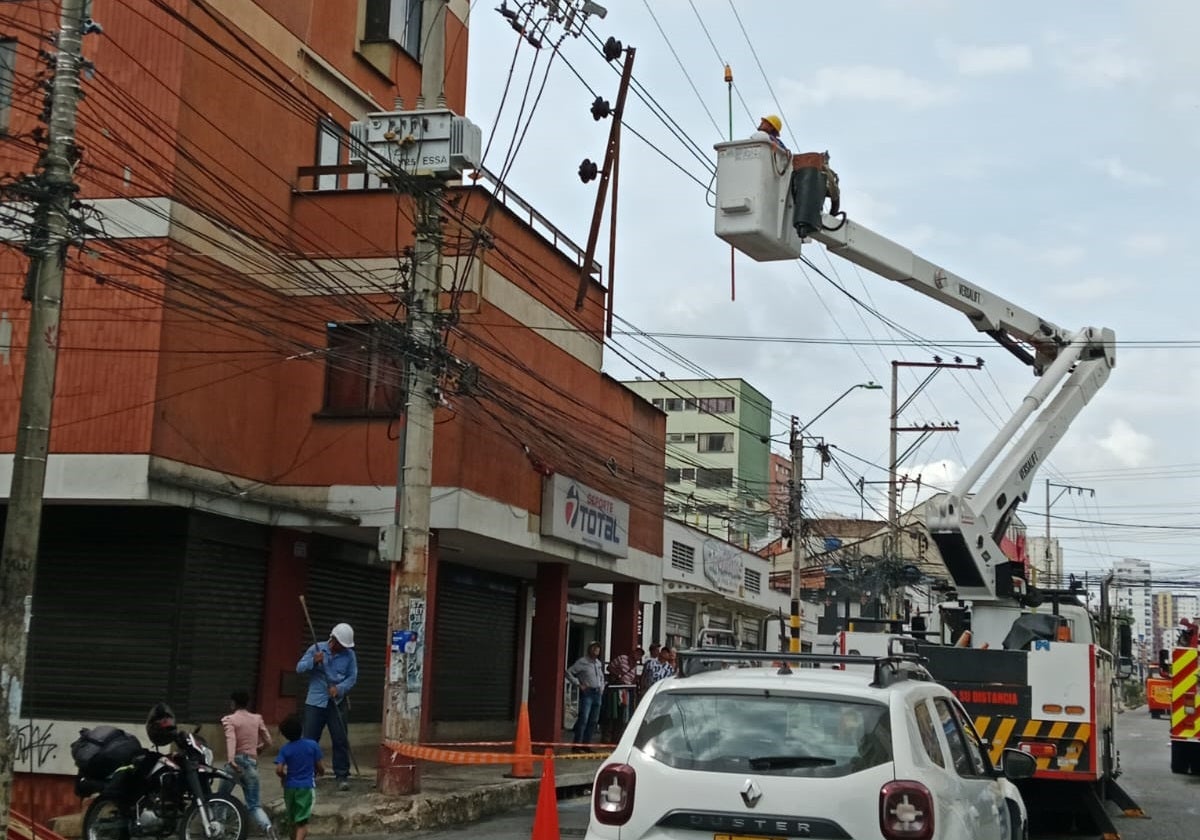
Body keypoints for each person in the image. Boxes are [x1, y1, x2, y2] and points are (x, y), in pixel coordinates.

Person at [297, 622, 357, 790]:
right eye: (341, 644)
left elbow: (352, 677)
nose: (343, 648)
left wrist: (339, 689)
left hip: (337, 702)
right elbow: (299, 668)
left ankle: (342, 775)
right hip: (315, 702)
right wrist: (314, 661)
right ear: (333, 639)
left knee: (340, 739)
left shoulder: (350, 655)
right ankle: (307, 774)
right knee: (309, 740)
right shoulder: (316, 649)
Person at [218, 690, 276, 840]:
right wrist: (259, 749)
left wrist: (231, 759)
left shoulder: (230, 720)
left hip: (235, 763)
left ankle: (219, 830)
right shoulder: (257, 719)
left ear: (233, 703)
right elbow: (269, 740)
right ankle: (267, 826)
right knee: (254, 805)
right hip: (251, 763)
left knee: (222, 798)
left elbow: (231, 739)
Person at [274, 713, 324, 840]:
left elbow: (279, 769)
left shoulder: (285, 749)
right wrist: (321, 772)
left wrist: (284, 777)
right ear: (301, 728)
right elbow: (319, 766)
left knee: (293, 820)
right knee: (302, 822)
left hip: (289, 787)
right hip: (306, 787)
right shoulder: (312, 745)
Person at [567, 641, 605, 751]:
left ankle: (586, 745)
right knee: (584, 719)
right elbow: (569, 672)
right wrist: (579, 684)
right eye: (594, 648)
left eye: (598, 648)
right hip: (587, 693)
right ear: (589, 649)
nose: (596, 650)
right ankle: (577, 745)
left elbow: (601, 677)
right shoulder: (582, 662)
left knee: (593, 721)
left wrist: (602, 687)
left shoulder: (598, 663)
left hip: (597, 693)